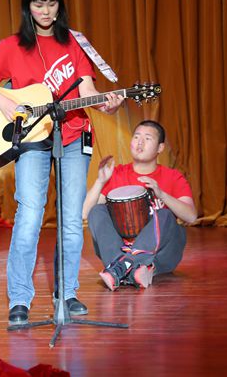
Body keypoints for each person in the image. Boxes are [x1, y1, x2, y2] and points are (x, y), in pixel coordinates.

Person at [0, 0, 123, 325]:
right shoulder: (13, 46)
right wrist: (5, 102)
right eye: (39, 4)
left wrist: (107, 105)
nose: (46, 11)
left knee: (71, 220)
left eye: (51, 3)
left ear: (59, 5)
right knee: (29, 216)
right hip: (32, 138)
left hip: (74, 135)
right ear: (28, 6)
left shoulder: (74, 44)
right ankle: (20, 299)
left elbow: (86, 92)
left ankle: (67, 293)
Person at [83, 120, 197, 290]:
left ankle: (122, 268)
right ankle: (135, 270)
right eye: (136, 137)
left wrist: (162, 195)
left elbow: (191, 216)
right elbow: (85, 213)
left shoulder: (173, 176)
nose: (140, 142)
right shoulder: (117, 174)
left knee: (165, 215)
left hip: (160, 255)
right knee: (97, 211)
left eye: (147, 138)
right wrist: (100, 181)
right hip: (119, 250)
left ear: (160, 148)